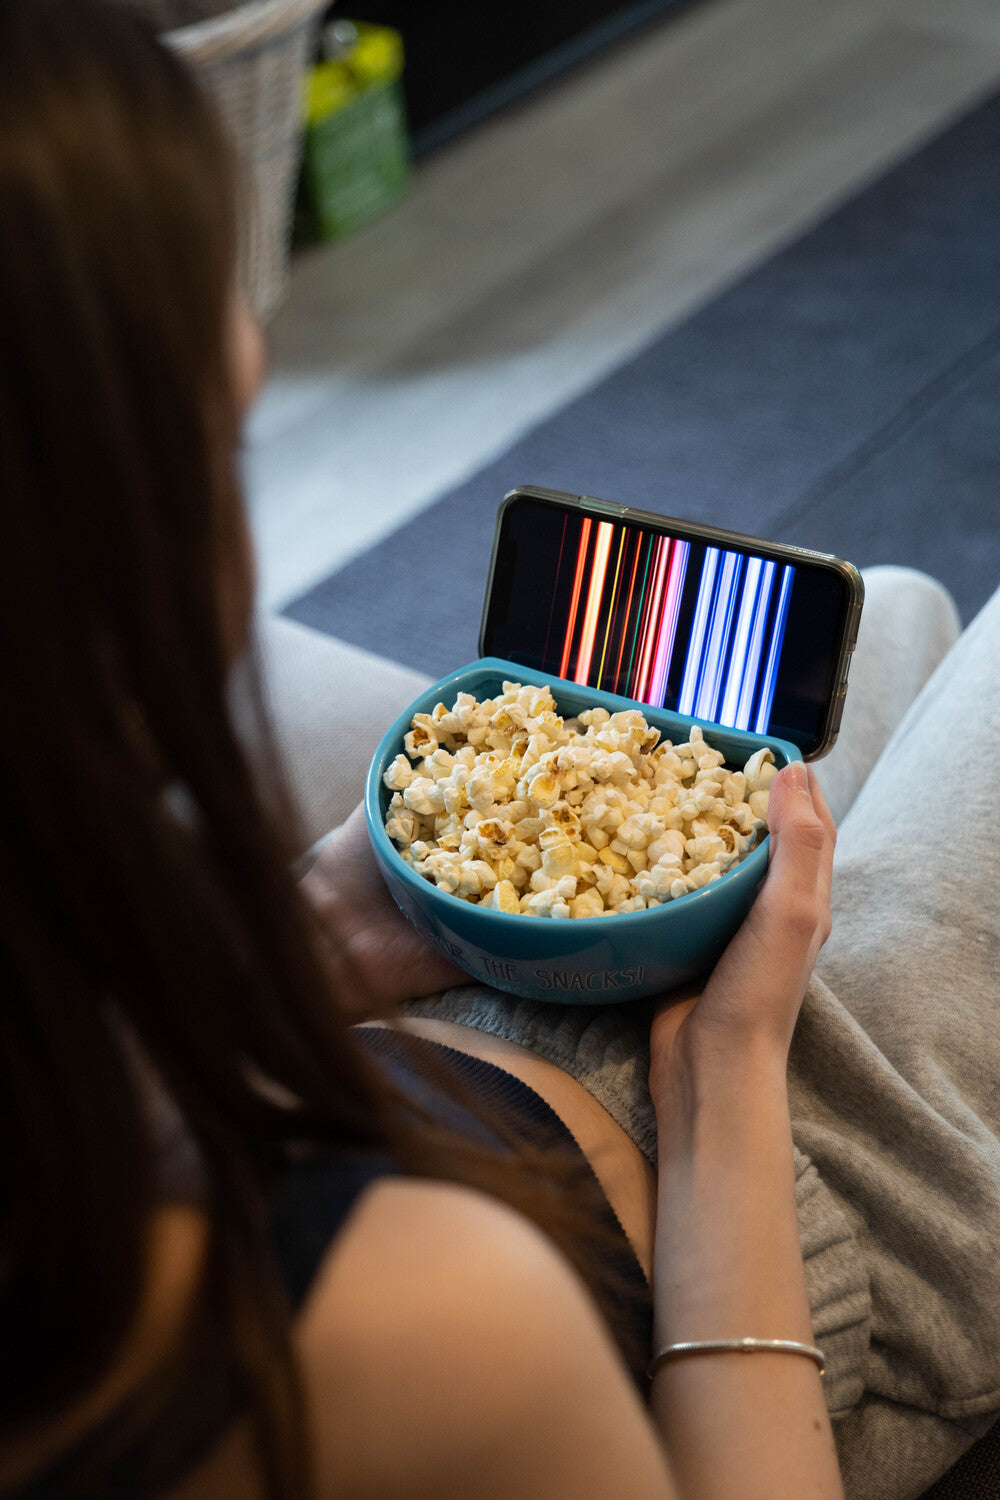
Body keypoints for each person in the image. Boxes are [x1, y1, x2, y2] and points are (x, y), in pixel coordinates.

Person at [0, 5, 993, 1499]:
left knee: (891, 627)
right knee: (899, 646)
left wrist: (320, 941)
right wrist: (726, 1081)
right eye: (221, 448)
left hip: (402, 1044)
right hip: (766, 1223)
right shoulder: (413, 1329)